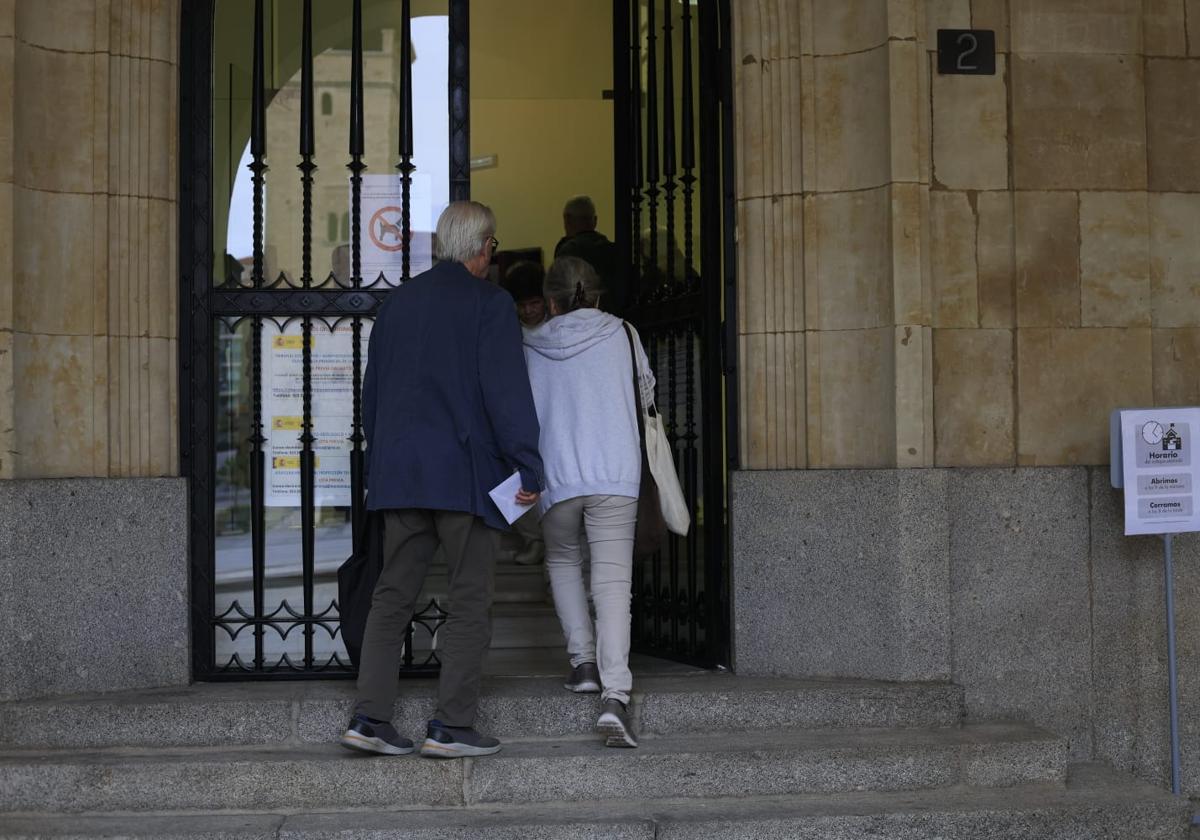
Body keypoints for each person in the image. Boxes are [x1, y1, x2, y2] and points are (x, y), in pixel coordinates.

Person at [340, 201, 543, 760]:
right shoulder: (490, 304)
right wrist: (528, 462)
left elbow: (372, 395)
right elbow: (505, 392)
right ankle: (452, 724)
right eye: (493, 247)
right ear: (484, 248)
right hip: (464, 476)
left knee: (391, 597)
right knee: (470, 598)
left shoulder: (398, 303)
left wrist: (381, 468)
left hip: (399, 476)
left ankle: (370, 717)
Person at [522, 256, 655, 748]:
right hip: (615, 470)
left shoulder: (530, 342)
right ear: (596, 295)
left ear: (551, 300)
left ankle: (582, 664)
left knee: (561, 559)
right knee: (613, 580)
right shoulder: (623, 333)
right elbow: (647, 395)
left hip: (556, 474)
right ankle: (615, 694)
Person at [553, 196, 623, 315]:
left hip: (578, 320)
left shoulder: (568, 252)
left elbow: (561, 294)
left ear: (567, 220)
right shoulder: (613, 250)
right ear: (595, 220)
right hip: (613, 318)